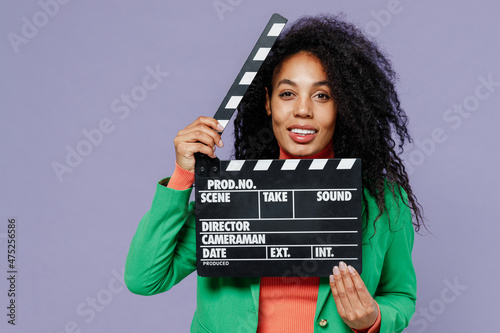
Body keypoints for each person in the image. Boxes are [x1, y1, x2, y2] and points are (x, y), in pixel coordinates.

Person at [125, 14, 424, 333]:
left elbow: (400, 294)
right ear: (267, 102)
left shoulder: (384, 201)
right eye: (287, 93)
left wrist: (374, 319)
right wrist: (183, 175)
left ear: (343, 105)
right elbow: (145, 278)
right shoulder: (228, 195)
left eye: (322, 95)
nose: (303, 110)